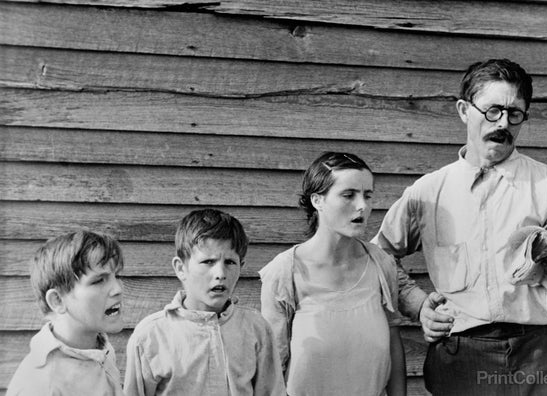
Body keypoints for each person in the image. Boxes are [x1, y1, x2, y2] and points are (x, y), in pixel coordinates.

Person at [371, 58, 547, 395]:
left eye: (514, 113)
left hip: (540, 354)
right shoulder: (428, 192)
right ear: (464, 110)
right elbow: (380, 258)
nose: (503, 123)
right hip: (461, 356)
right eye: (493, 110)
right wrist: (419, 306)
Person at [260, 152, 412, 396]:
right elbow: (272, 366)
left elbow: (393, 342)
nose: (362, 205)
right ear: (317, 201)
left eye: (368, 195)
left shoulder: (381, 263)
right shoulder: (284, 272)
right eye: (348, 195)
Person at [123, 208, 285, 396]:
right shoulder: (151, 336)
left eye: (230, 262)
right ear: (180, 268)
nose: (221, 274)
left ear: (241, 267)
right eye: (208, 261)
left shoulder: (256, 330)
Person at [7, 230, 125, 396]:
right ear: (57, 301)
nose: (118, 289)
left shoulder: (100, 348)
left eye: (117, 275)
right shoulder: (40, 386)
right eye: (98, 280)